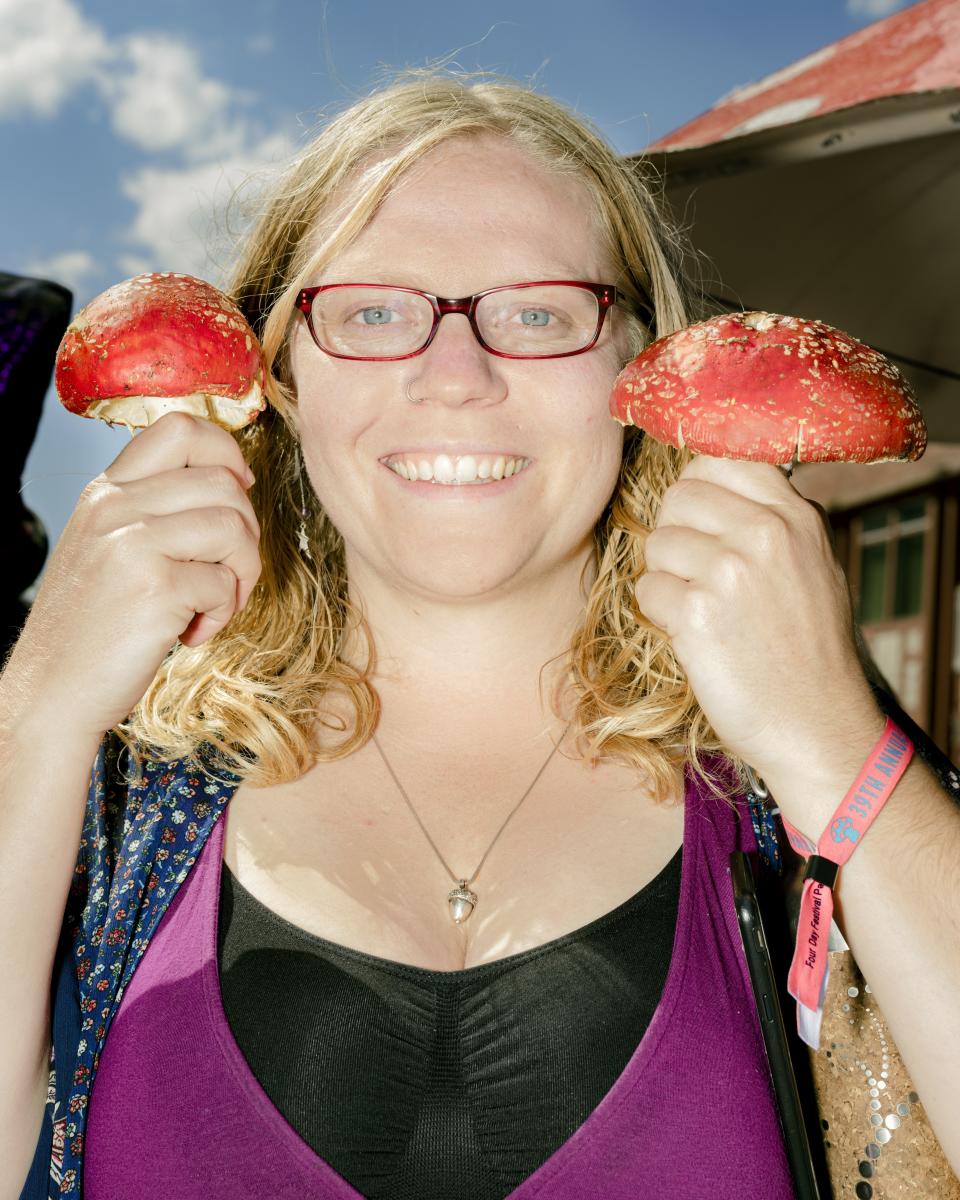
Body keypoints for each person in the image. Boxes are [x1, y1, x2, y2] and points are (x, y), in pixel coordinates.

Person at [3, 68, 959, 1200]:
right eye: (370, 311)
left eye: (540, 312)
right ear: (279, 377)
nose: (456, 376)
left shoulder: (799, 789)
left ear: (642, 368)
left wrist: (838, 746)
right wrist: (35, 710)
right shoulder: (110, 791)